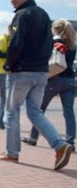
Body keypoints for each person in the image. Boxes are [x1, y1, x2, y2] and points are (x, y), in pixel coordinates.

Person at [0, 0, 73, 170]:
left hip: (21, 71)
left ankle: (11, 153)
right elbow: (49, 44)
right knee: (35, 112)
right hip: (41, 73)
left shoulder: (21, 15)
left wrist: (9, 65)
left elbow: (16, 43)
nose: (12, 1)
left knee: (11, 112)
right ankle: (60, 145)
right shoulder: (44, 14)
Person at [22, 18, 76, 150]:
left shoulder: (54, 42)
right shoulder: (72, 45)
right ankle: (70, 142)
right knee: (68, 112)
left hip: (54, 79)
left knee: (39, 111)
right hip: (70, 80)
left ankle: (33, 138)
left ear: (55, 29)